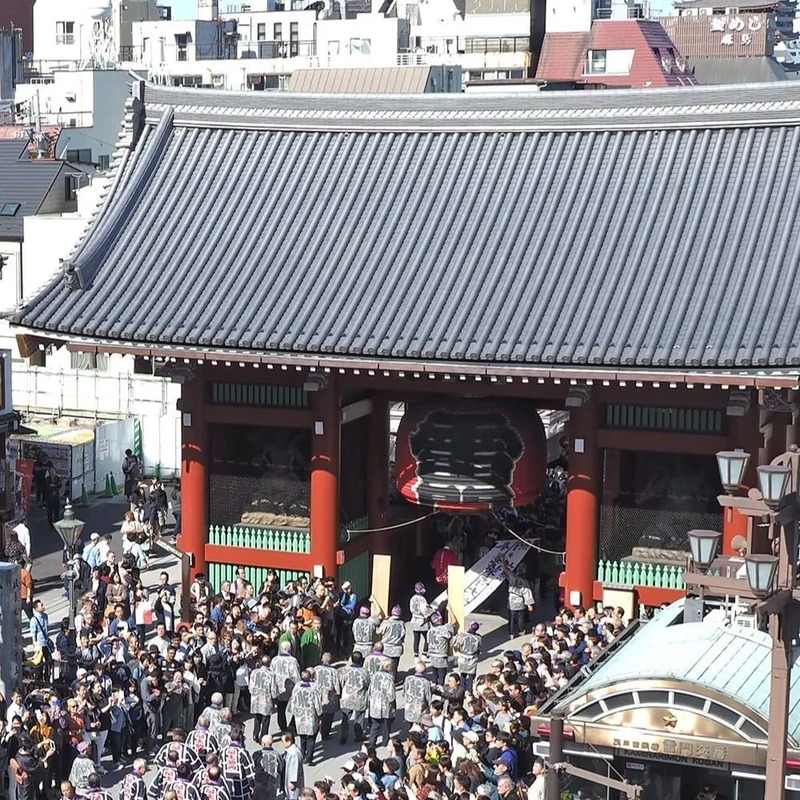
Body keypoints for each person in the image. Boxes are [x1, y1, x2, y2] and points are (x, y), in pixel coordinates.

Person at [287, 670, 322, 765]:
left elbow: (293, 699)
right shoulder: (314, 688)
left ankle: (302, 754)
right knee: (311, 736)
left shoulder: (297, 687)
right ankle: (309, 758)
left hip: (300, 715)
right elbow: (317, 703)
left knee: (302, 735)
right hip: (310, 715)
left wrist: (293, 711)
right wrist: (320, 715)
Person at [339, 651, 369, 745]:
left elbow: (341, 682)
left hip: (347, 696)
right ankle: (358, 735)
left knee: (345, 717)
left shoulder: (345, 670)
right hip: (359, 697)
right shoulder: (364, 671)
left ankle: (344, 734)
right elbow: (368, 682)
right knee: (359, 717)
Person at [271, 640, 301, 732]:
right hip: (290, 688)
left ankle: (282, 726)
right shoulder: (292, 660)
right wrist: (299, 685)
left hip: (278, 687)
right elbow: (296, 675)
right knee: (296, 707)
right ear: (289, 649)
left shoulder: (275, 659)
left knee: (281, 709)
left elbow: (271, 673)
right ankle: (292, 724)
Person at [367, 660, 395, 748]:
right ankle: (385, 741)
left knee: (375, 724)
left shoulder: (375, 675)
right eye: (391, 666)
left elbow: (370, 689)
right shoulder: (389, 678)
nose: (392, 668)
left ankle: (371, 742)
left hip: (375, 703)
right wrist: (393, 704)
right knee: (386, 724)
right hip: (385, 705)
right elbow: (391, 694)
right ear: (387, 667)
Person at [248, 656, 276, 744]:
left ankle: (255, 734)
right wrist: (275, 699)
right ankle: (263, 738)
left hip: (256, 698)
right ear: (269, 663)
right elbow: (273, 690)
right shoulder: (271, 674)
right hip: (266, 700)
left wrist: (253, 694)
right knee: (265, 719)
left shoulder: (254, 672)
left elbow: (250, 686)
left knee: (257, 717)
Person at [314, 652, 340, 739]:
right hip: (329, 695)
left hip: (317, 694)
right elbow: (336, 684)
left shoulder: (316, 669)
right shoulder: (333, 671)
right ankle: (325, 733)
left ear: (322, 659)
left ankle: (317, 729)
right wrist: (338, 693)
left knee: (318, 713)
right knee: (328, 716)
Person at [453, 621, 482, 691]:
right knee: (471, 675)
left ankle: (462, 689)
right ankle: (470, 690)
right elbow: (479, 648)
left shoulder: (462, 635)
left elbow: (456, 645)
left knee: (463, 675)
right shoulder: (478, 638)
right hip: (473, 659)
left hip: (463, 657)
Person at [376, 605, 405, 676]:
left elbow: (378, 632)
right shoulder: (402, 623)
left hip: (386, 648)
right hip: (397, 648)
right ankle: (393, 681)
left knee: (385, 666)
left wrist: (379, 623)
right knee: (394, 667)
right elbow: (403, 636)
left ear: (392, 612)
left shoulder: (386, 622)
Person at [253, 735, 281, 799]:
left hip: (259, 783)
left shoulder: (257, 754)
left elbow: (252, 767)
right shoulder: (276, 754)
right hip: (272, 783)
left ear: (263, 744)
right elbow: (280, 767)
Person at [409, 583, 432, 658]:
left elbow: (411, 609)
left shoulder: (412, 598)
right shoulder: (422, 599)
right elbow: (424, 611)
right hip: (422, 621)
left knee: (416, 639)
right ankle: (424, 655)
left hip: (414, 620)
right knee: (428, 638)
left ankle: (416, 655)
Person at [281, 732, 304, 800]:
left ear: (289, 741)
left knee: (293, 796)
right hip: (289, 778)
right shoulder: (292, 750)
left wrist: (292, 782)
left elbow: (294, 768)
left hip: (293, 782)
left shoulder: (293, 753)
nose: (282, 743)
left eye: (283, 741)